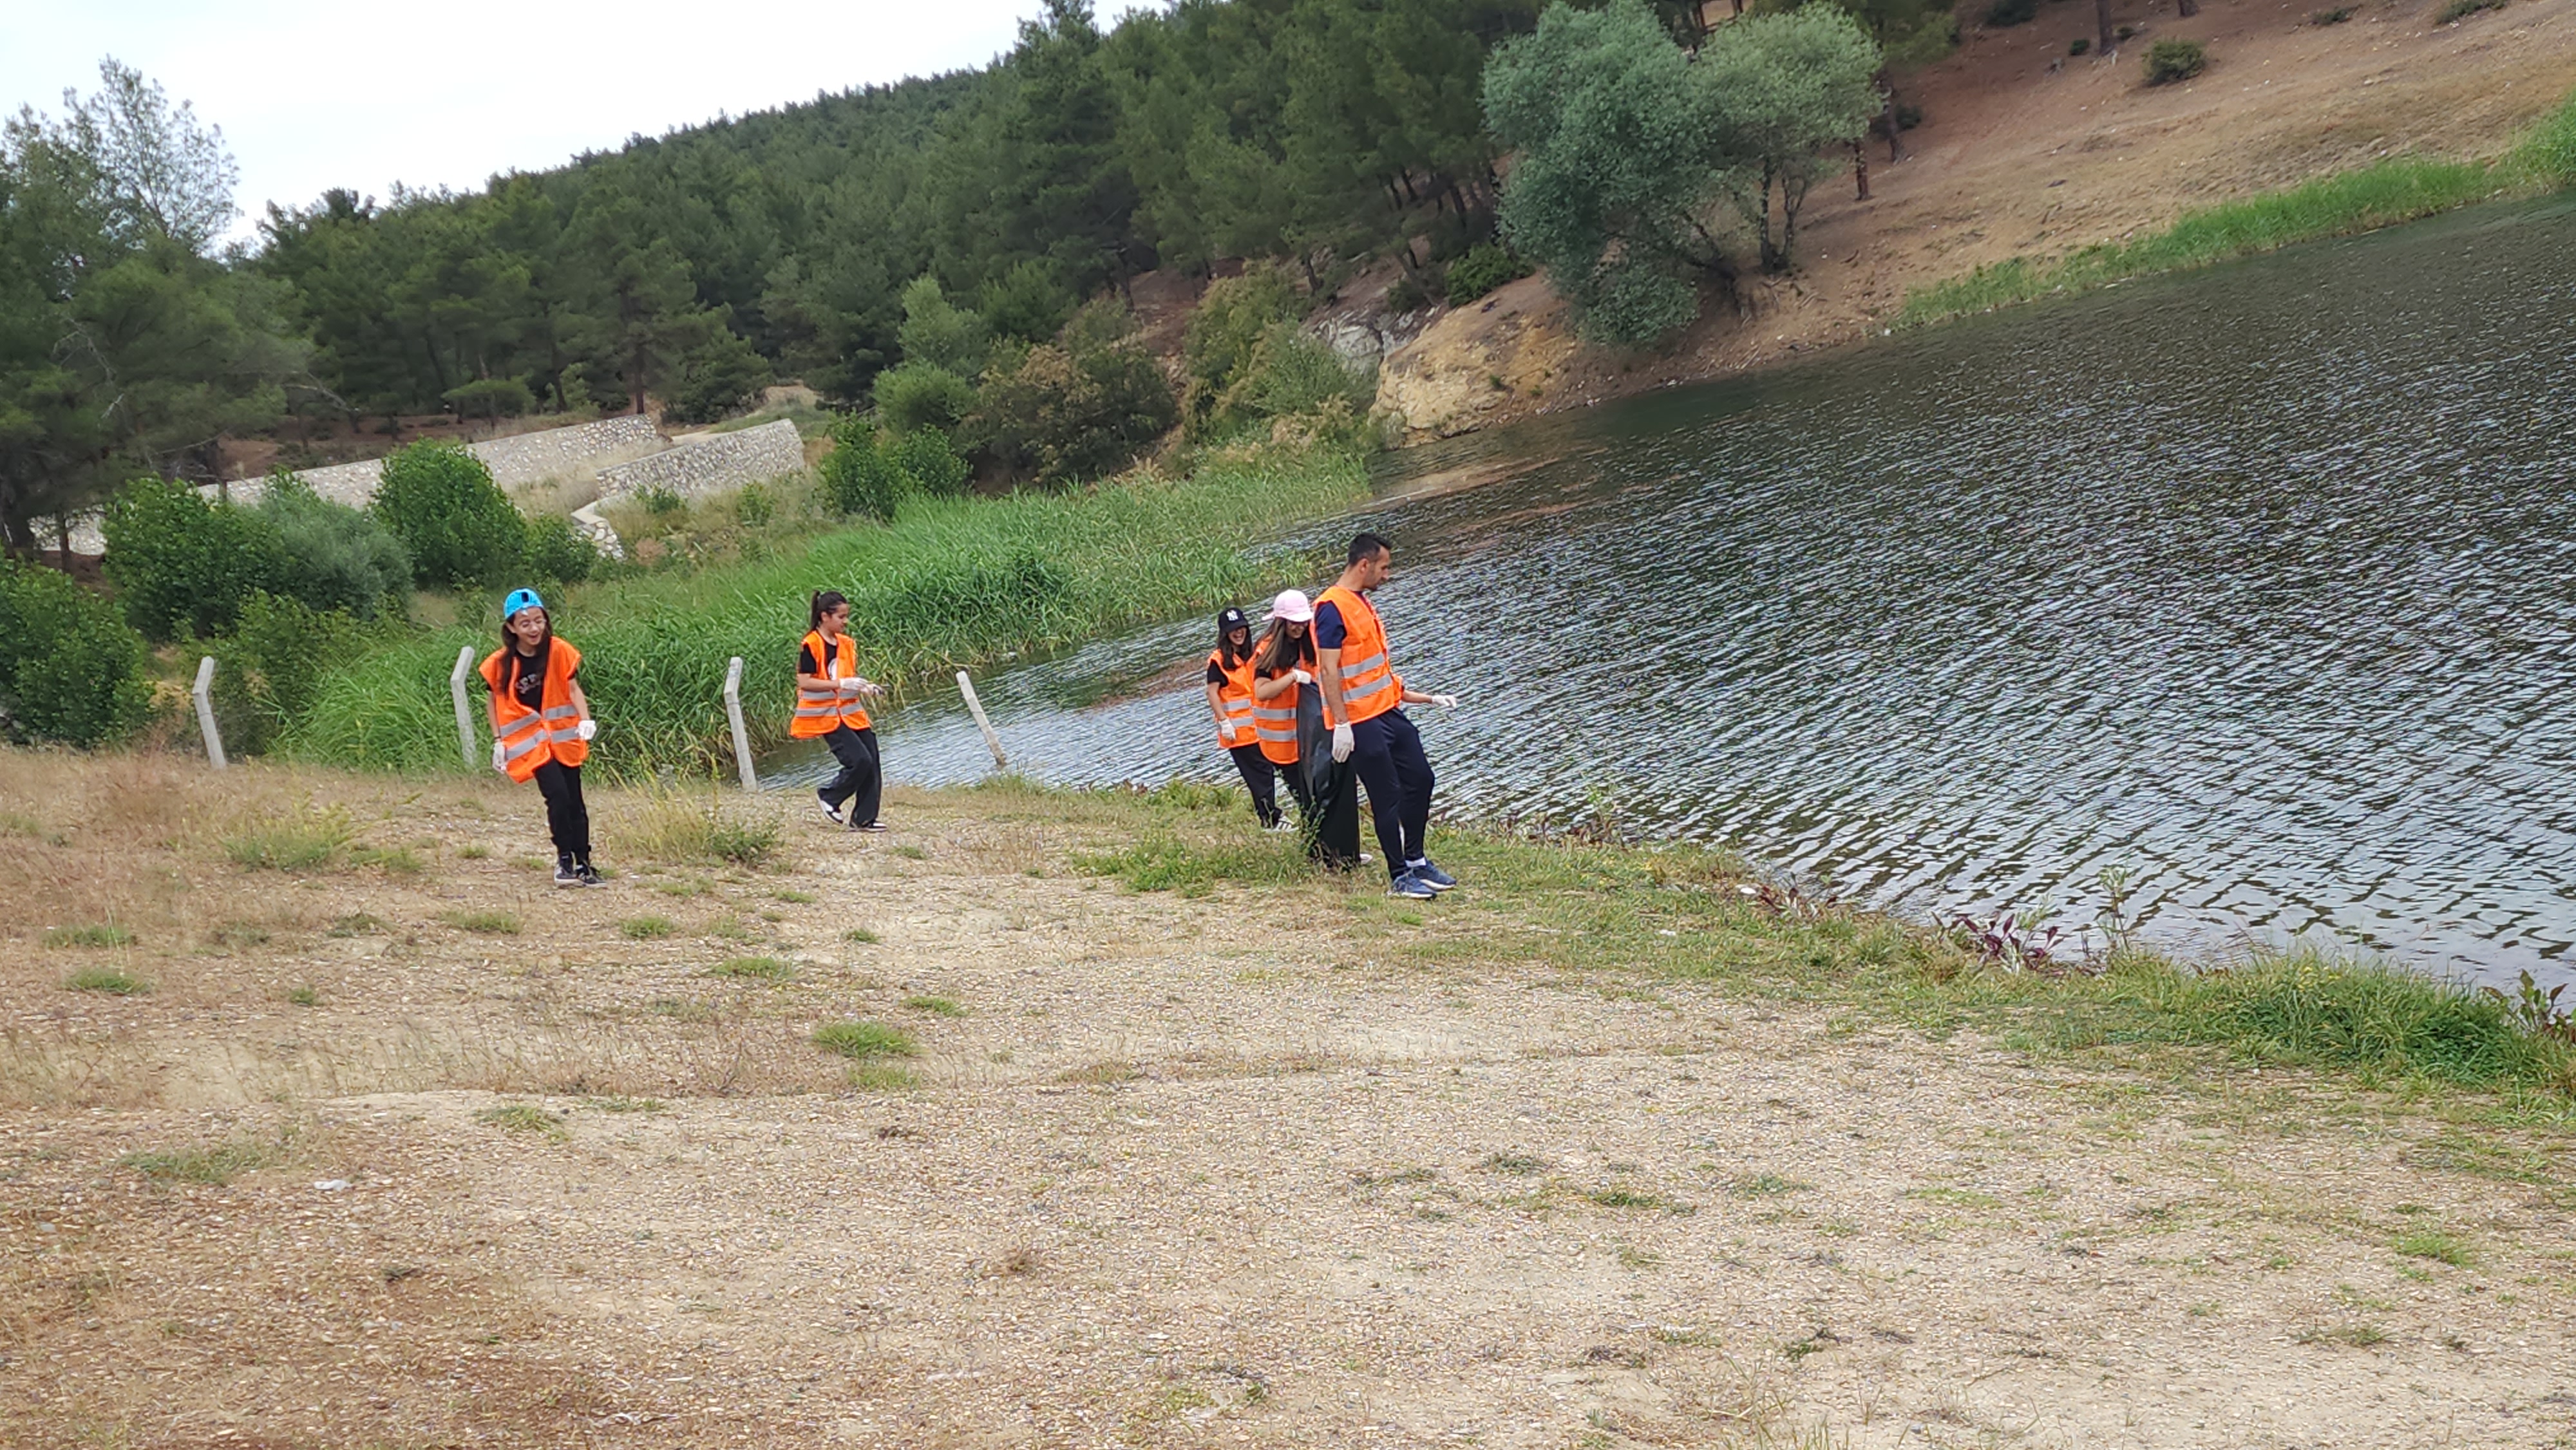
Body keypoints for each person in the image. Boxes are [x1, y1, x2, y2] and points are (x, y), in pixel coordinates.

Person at [1315, 531, 1458, 899]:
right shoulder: (1331, 607)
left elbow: (1374, 669)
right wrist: (1342, 725)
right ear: (1364, 565)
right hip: (1360, 720)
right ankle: (1399, 876)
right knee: (1387, 793)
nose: (1387, 574)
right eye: (1384, 567)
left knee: (1421, 779)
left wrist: (1425, 698)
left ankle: (1415, 860)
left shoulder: (1361, 602)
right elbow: (1329, 671)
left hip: (1387, 711)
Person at [480, 588, 601, 887]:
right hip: (533, 744)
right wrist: (498, 741)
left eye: (539, 621)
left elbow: (573, 688)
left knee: (575, 800)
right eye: (525, 624)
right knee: (557, 797)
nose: (534, 629)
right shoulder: (500, 663)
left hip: (563, 738)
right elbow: (494, 701)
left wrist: (585, 718)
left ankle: (584, 863)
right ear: (511, 627)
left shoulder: (559, 651)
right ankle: (564, 861)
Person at [795, 590, 889, 831]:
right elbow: (805, 681)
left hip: (851, 713)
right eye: (841, 617)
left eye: (847, 616)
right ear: (825, 616)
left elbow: (846, 677)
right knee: (859, 760)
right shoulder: (811, 645)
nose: (846, 622)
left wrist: (866, 687)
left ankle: (864, 819)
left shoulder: (847, 644)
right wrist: (840, 684)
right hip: (825, 715)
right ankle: (829, 796)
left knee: (872, 761)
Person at [1205, 606, 1283, 829]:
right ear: (1225, 633)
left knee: (1269, 772)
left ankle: (1273, 817)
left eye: (1241, 628)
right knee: (1260, 777)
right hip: (1239, 733)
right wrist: (1223, 721)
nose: (1239, 633)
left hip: (1261, 728)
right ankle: (1271, 821)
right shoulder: (1218, 660)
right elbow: (1212, 692)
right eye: (1233, 630)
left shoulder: (1252, 655)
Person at [1249, 590, 1320, 829]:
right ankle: (1319, 849)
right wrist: (1292, 678)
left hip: (1308, 736)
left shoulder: (1307, 643)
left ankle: (1329, 846)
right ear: (1281, 622)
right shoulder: (1267, 650)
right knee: (1307, 801)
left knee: (1319, 796)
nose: (1299, 628)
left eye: (1303, 622)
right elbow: (1262, 691)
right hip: (1282, 744)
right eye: (1294, 623)